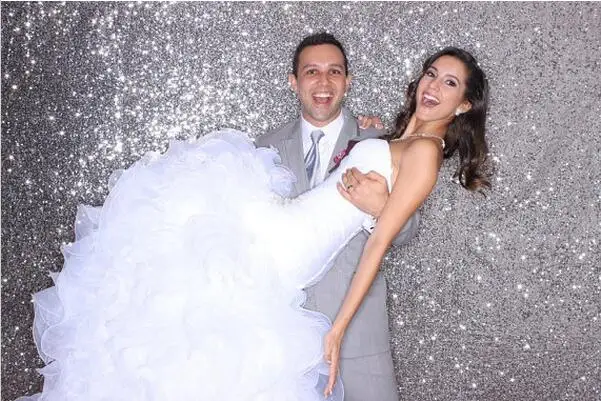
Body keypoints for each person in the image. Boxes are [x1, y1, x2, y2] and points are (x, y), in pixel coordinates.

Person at [18, 45, 489, 401]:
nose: (433, 86)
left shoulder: (425, 151)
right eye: (431, 74)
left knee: (178, 267)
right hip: (278, 233)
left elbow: (382, 240)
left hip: (287, 255)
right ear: (294, 81)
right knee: (172, 287)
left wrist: (337, 328)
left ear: (464, 105)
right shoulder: (389, 135)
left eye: (450, 83)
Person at [255, 32, 420, 401]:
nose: (323, 82)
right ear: (293, 82)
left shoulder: (380, 140)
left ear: (348, 81)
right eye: (311, 71)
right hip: (285, 342)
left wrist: (381, 208)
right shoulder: (264, 149)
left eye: (334, 71)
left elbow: (408, 230)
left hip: (359, 341)